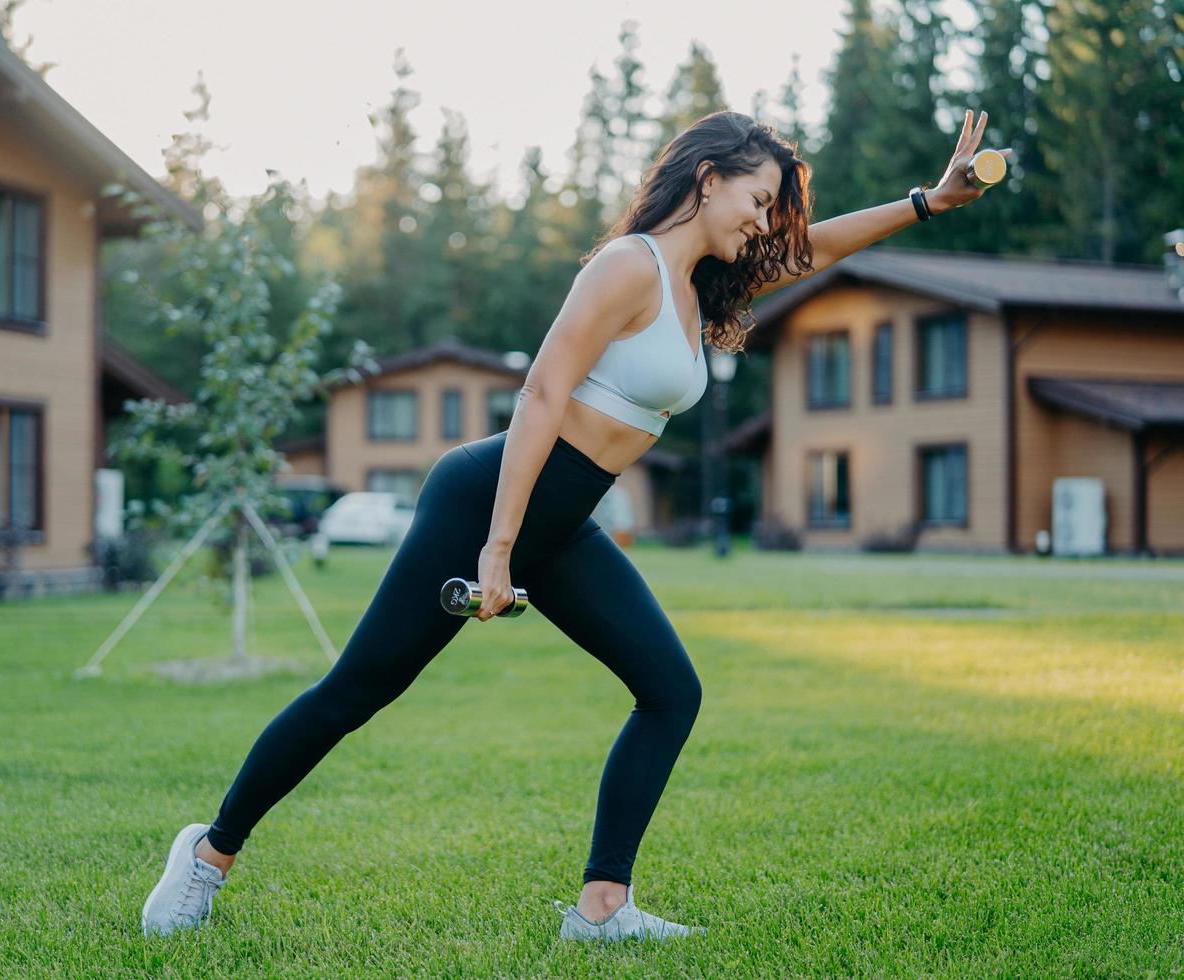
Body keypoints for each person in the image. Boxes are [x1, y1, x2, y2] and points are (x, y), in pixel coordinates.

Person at [142, 108, 1009, 942]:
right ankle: (208, 855)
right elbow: (543, 394)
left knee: (671, 692)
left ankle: (602, 908)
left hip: (563, 521)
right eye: (757, 198)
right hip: (489, 501)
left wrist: (929, 201)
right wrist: (498, 546)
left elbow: (809, 251)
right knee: (359, 690)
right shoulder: (626, 268)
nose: (766, 219)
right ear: (709, 182)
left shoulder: (696, 284)